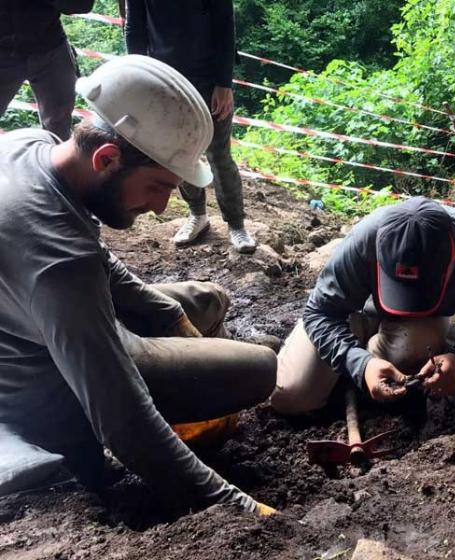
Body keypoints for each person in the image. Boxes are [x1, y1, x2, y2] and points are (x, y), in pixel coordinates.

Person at [0, 55, 277, 515]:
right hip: (38, 377)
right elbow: (124, 419)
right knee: (259, 367)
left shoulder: (32, 146)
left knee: (204, 299)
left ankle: (194, 358)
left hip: (38, 318)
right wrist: (238, 507)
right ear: (107, 159)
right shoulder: (62, 266)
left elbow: (100, 260)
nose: (161, 207)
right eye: (156, 187)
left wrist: (170, 316)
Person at [270, 197, 455, 413]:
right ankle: (363, 366)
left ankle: (373, 367)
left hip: (419, 323)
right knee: (290, 397)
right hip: (355, 314)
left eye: (420, 288)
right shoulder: (366, 238)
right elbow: (320, 313)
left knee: (408, 361)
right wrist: (360, 363)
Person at [122, 0, 257, 254]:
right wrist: (138, 74)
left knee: (219, 154)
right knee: (179, 152)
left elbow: (225, 28)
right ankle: (197, 215)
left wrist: (224, 83)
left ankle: (237, 224)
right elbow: (135, 28)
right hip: (163, 78)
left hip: (209, 78)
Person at [0, 1, 93, 140]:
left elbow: (82, 5)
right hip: (5, 51)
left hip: (50, 46)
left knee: (59, 124)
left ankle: (57, 159)